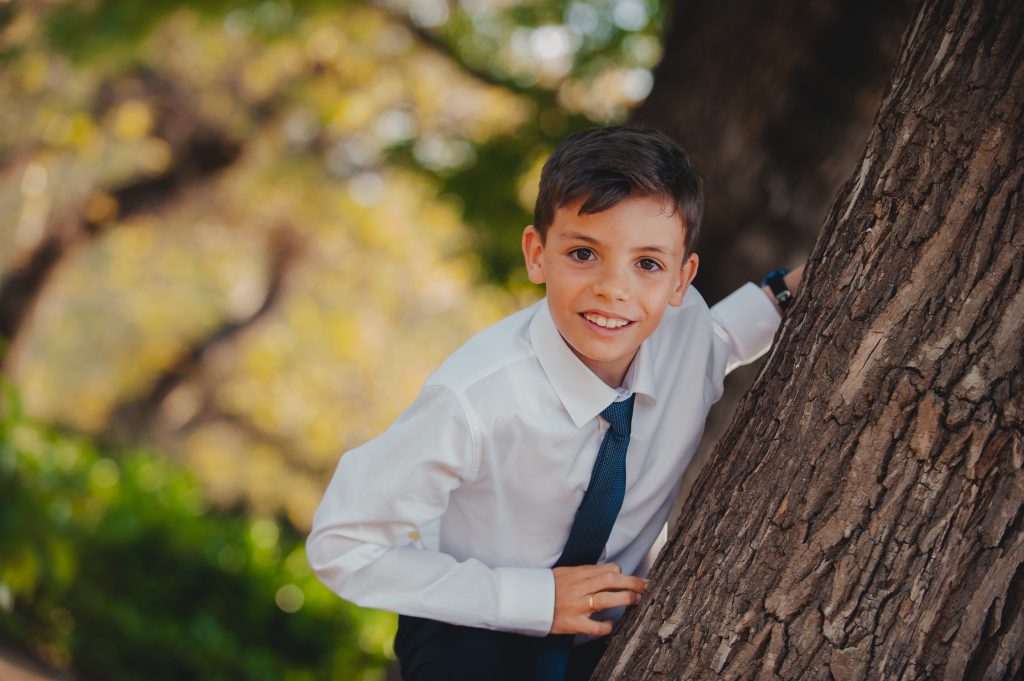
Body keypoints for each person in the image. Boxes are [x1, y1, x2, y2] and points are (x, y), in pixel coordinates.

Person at [307, 126, 803, 680]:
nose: (613, 289)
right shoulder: (474, 401)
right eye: (584, 253)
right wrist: (533, 599)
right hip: (475, 623)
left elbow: (723, 339)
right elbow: (340, 545)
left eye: (647, 264)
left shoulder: (685, 335)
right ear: (537, 254)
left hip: (608, 628)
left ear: (682, 279)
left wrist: (791, 292)